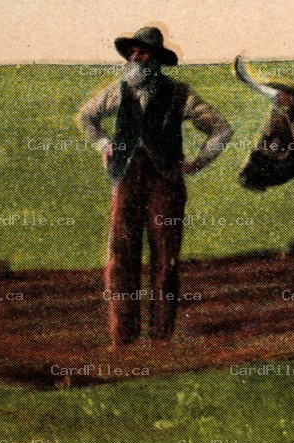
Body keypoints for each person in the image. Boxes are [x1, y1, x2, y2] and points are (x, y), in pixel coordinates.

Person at [76, 27, 232, 348]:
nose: (134, 56)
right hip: (126, 180)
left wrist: (198, 163)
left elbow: (221, 129)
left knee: (166, 261)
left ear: (156, 59)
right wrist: (103, 143)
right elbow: (86, 117)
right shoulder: (117, 92)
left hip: (166, 184)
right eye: (132, 51)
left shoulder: (180, 95)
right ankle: (123, 337)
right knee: (121, 257)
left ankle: (162, 337)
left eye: (142, 52)